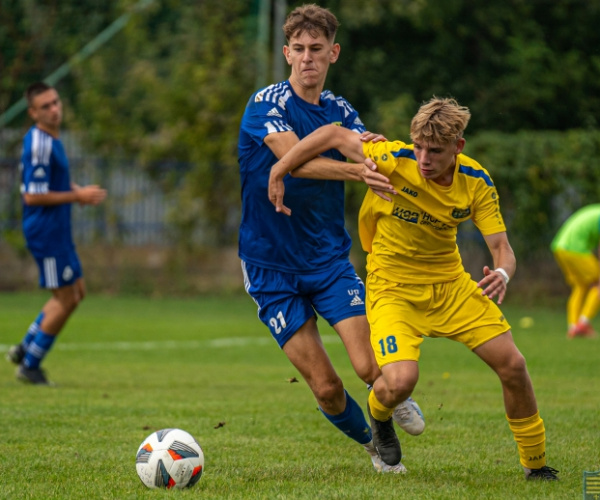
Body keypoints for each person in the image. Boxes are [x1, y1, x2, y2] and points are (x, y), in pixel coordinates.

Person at [268, 97, 559, 480]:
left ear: (458, 147)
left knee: (514, 365)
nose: (423, 158)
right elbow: (332, 134)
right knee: (401, 382)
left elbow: (503, 249)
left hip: (450, 286)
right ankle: (379, 413)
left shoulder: (476, 182)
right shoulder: (393, 157)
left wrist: (503, 274)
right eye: (419, 146)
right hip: (393, 287)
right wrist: (280, 170)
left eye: (435, 151)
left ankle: (535, 466)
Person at [238, 4, 424, 473]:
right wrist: (352, 164)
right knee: (325, 387)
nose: (307, 59)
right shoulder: (267, 104)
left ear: (333, 53)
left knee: (367, 367)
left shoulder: (341, 110)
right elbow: (293, 160)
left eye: (316, 49)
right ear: (286, 53)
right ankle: (372, 445)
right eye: (298, 49)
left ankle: (387, 406)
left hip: (327, 259)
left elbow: (369, 153)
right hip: (269, 265)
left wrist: (367, 153)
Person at [5, 82, 107, 385]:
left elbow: (53, 186)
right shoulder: (39, 144)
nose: (54, 109)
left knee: (76, 293)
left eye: (56, 102)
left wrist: (79, 192)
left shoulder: (52, 139)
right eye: (46, 106)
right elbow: (33, 196)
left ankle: (25, 348)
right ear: (33, 112)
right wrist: (77, 196)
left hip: (58, 230)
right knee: (64, 298)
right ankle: (30, 365)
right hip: (46, 232)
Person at [551, 204, 600, 338]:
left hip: (560, 247)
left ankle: (572, 327)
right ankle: (583, 324)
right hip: (575, 249)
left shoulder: (595, 210)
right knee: (598, 283)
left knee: (580, 286)